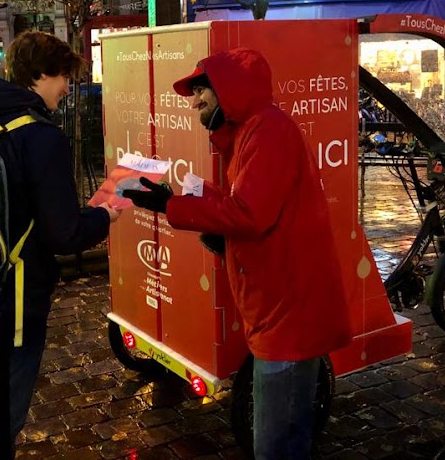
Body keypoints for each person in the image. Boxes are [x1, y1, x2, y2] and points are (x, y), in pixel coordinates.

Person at [124, 47, 351, 460]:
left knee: (275, 445)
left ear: (228, 88)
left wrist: (171, 206)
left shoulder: (268, 131)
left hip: (289, 315)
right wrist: (180, 198)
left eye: (200, 90)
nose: (193, 101)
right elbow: (243, 202)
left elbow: (249, 214)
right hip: (279, 307)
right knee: (282, 437)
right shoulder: (254, 131)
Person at [0, 31, 121, 459]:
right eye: (63, 77)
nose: (67, 88)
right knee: (0, 415)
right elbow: (63, 233)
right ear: (40, 75)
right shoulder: (40, 136)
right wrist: (104, 217)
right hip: (13, 300)